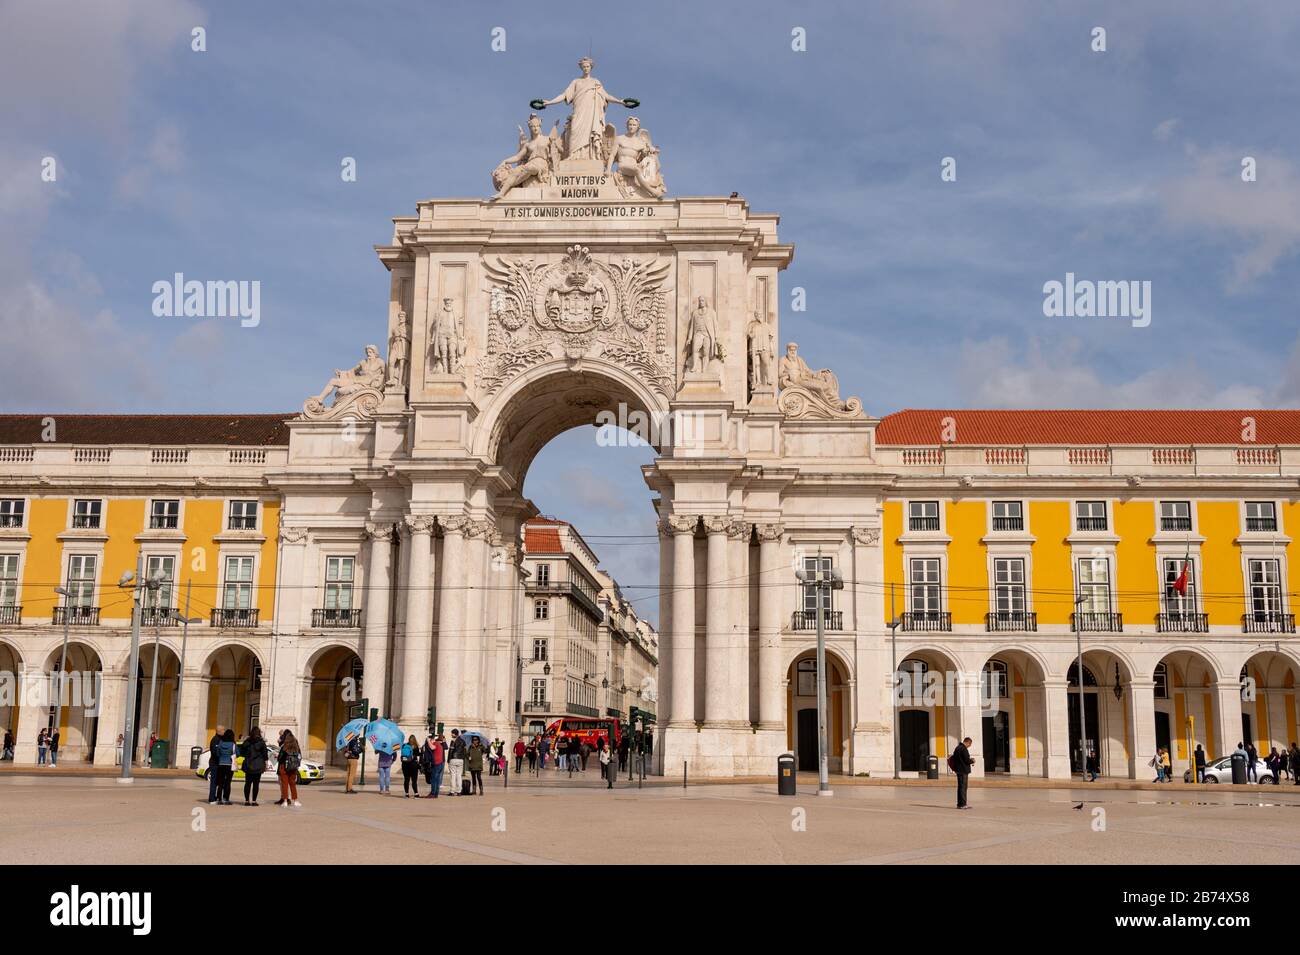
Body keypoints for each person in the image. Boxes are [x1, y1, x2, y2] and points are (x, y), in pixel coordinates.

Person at [241, 727, 269, 805]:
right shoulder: (261, 742)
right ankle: (254, 801)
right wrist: (266, 764)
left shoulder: (247, 742)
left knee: (247, 783)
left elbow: (241, 752)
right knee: (256, 784)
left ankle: (246, 801)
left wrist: (247, 755)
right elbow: (265, 755)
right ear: (259, 733)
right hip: (258, 765)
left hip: (248, 764)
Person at [277, 731, 302, 807]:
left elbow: (280, 758)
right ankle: (295, 800)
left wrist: (277, 756)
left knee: (284, 784)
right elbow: (300, 756)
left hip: (284, 767)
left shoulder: (284, 747)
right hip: (293, 767)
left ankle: (285, 801)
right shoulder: (296, 747)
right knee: (293, 784)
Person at [950, 736, 974, 809]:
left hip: (958, 770)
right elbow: (966, 760)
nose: (969, 746)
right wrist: (972, 760)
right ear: (967, 742)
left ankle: (960, 804)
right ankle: (963, 804)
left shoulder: (957, 748)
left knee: (960, 787)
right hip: (963, 771)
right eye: (969, 745)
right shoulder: (964, 749)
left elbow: (954, 758)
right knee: (963, 787)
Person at [215, 728, 237, 805]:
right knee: (228, 782)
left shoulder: (220, 743)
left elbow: (217, 753)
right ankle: (226, 799)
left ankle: (218, 798)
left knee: (220, 782)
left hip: (221, 764)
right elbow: (237, 753)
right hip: (229, 765)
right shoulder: (233, 745)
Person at [206, 724, 225, 803]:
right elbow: (215, 752)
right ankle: (212, 798)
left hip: (219, 764)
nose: (224, 731)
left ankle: (217, 797)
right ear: (219, 731)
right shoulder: (215, 739)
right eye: (223, 730)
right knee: (214, 781)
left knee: (218, 781)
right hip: (215, 763)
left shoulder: (221, 739)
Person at [447, 729, 467, 796]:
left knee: (453, 776)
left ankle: (452, 791)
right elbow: (465, 752)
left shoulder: (453, 741)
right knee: (459, 776)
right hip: (460, 760)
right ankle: (459, 791)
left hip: (453, 759)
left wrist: (448, 760)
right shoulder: (463, 741)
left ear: (454, 734)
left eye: (452, 733)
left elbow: (450, 751)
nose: (451, 735)